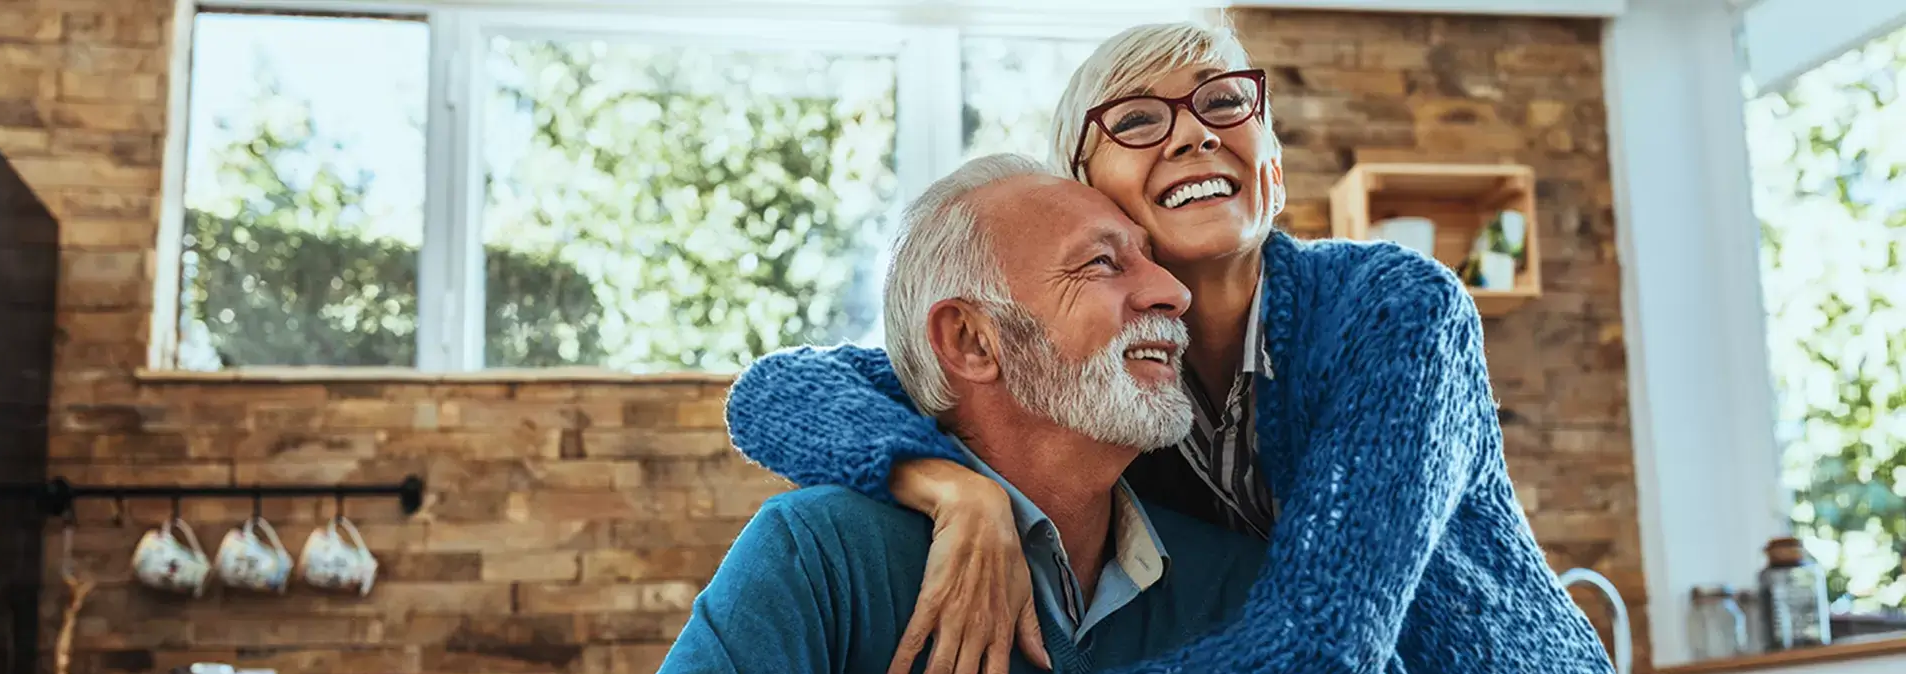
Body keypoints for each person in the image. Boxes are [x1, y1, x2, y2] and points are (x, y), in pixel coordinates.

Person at [723, 20, 1615, 674]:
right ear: (1084, 191)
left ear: (1271, 160)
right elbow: (777, 393)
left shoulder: (1395, 309)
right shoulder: (1107, 374)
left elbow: (1321, 646)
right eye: (1139, 120)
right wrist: (953, 488)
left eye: (1226, 103)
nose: (1195, 131)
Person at [660, 155, 1271, 674]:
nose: (1174, 292)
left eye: (1149, 258)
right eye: (1103, 263)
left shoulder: (1240, 586)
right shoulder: (823, 556)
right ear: (972, 342)